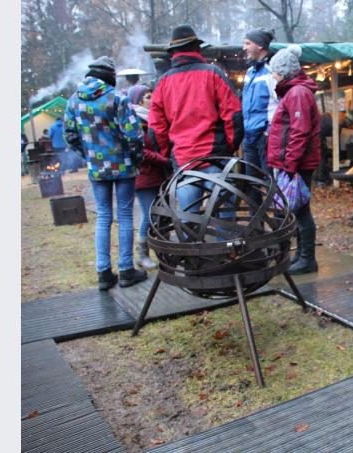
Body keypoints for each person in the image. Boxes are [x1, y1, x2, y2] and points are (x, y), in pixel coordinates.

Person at [64, 56, 148, 290]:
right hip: (123, 166)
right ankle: (126, 270)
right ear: (109, 76)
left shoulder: (74, 101)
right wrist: (135, 158)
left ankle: (103, 273)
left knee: (103, 216)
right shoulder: (117, 98)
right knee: (125, 215)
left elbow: (69, 136)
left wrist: (89, 156)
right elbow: (133, 135)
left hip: (96, 168)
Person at [149, 24, 243, 217]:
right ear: (197, 48)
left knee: (187, 222)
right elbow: (234, 116)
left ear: (173, 52)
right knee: (225, 220)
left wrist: (168, 156)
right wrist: (228, 147)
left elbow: (156, 129)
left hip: (184, 160)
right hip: (216, 158)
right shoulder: (213, 73)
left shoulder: (163, 83)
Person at [265, 44, 321, 275]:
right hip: (294, 163)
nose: (273, 76)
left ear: (284, 72)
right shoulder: (294, 92)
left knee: (301, 211)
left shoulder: (297, 93)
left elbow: (299, 132)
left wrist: (290, 165)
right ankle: (301, 256)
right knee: (296, 210)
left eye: (275, 72)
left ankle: (307, 259)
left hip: (298, 164)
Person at [128, 84, 169, 270]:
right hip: (143, 176)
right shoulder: (133, 121)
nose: (152, 100)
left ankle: (165, 252)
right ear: (138, 101)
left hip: (159, 174)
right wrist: (164, 160)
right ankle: (142, 254)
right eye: (147, 97)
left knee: (163, 213)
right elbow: (141, 151)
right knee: (149, 214)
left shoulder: (154, 119)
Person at [241, 28, 278, 188]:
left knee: (271, 184)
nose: (244, 48)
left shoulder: (272, 72)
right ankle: (255, 207)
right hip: (249, 136)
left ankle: (277, 206)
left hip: (265, 137)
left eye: (247, 43)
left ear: (260, 46)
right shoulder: (249, 72)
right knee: (252, 184)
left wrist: (269, 131)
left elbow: (282, 105)